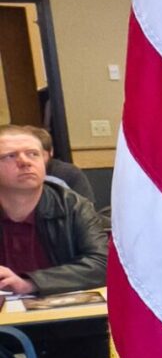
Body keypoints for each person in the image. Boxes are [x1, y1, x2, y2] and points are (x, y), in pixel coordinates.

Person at [0, 124, 107, 296]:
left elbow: (102, 263)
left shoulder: (73, 206)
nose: (25, 162)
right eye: (10, 156)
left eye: (33, 154)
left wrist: (29, 283)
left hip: (67, 314)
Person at [25, 126, 95, 203]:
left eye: (35, 154)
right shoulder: (14, 174)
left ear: (51, 152)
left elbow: (87, 209)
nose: (29, 161)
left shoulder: (69, 173)